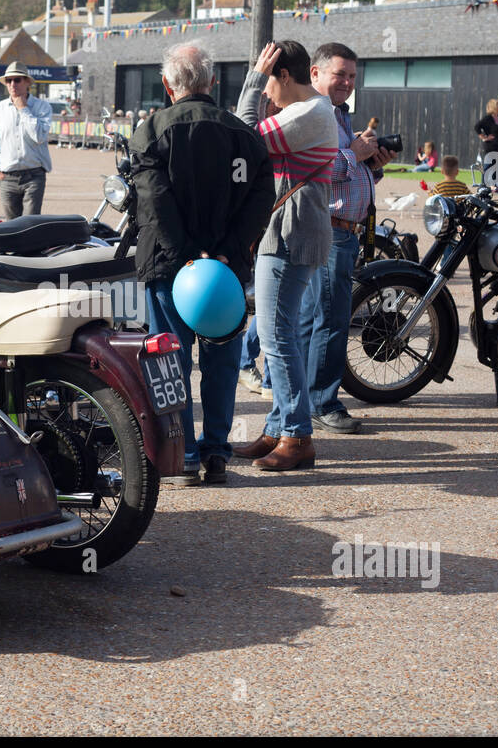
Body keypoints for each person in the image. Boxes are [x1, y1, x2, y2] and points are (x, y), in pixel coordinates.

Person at [130, 42, 274, 485]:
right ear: (211, 82)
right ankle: (216, 450)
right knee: (222, 361)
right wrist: (227, 249)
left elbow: (155, 201)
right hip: (226, 269)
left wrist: (186, 254)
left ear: (168, 86)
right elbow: (261, 199)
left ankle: (183, 452)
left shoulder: (150, 130)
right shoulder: (244, 134)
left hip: (170, 267)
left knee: (171, 363)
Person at [230, 41, 338, 472]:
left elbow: (242, 136)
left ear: (283, 75)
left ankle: (297, 436)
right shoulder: (309, 113)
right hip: (293, 230)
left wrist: (252, 82)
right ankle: (279, 428)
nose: (267, 93)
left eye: (269, 81)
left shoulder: (309, 113)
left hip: (290, 234)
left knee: (276, 336)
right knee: (283, 332)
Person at [305, 41, 396, 435]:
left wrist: (373, 167)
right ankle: (322, 403)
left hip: (343, 233)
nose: (345, 82)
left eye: (351, 76)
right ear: (315, 74)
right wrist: (355, 155)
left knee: (318, 319)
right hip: (327, 232)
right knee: (329, 320)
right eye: (339, 74)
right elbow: (312, 168)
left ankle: (307, 399)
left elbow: (346, 177)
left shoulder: (339, 115)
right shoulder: (313, 113)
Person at [0, 61, 53, 219]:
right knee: (12, 227)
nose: (12, 84)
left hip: (34, 175)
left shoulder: (42, 107)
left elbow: (39, 136)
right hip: (7, 177)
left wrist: (24, 109)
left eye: (17, 80)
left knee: (31, 224)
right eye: (9, 80)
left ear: (27, 82)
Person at [474, 97, 498, 191]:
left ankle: (494, 184)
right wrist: (484, 137)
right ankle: (483, 185)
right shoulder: (488, 118)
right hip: (491, 146)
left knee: (497, 166)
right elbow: (477, 126)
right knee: (489, 166)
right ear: (494, 107)